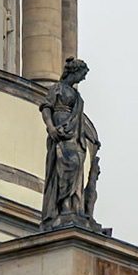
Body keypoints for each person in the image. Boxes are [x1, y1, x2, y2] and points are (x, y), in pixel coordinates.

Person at [39, 57, 100, 225]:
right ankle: (64, 205)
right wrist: (51, 127)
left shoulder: (77, 96)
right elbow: (46, 108)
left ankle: (74, 207)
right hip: (60, 130)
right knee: (65, 166)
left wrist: (92, 139)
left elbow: (78, 118)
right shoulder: (57, 89)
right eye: (82, 74)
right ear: (74, 72)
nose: (83, 78)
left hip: (74, 134)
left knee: (76, 166)